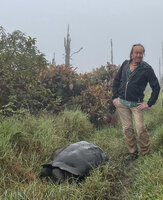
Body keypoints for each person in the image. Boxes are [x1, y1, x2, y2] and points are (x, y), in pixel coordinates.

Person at [112, 44, 160, 161]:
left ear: (143, 54)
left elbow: (156, 87)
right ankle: (133, 153)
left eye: (141, 53)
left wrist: (149, 103)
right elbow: (117, 81)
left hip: (136, 105)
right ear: (132, 54)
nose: (138, 55)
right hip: (122, 104)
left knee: (140, 128)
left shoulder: (146, 69)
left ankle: (145, 153)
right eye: (136, 53)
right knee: (127, 128)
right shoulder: (125, 64)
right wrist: (114, 97)